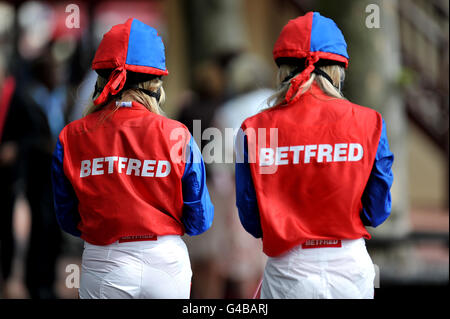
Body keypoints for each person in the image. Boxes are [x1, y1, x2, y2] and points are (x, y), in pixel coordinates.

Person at [51, 18, 214, 299]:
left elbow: (67, 218)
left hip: (103, 261)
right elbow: (199, 219)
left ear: (100, 78)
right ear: (156, 81)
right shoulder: (178, 135)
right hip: (166, 262)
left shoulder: (71, 136)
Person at [235, 12, 394, 299]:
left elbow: (251, 219)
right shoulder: (370, 122)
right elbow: (377, 210)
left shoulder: (254, 128)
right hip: (350, 267)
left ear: (283, 70)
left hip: (288, 270)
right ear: (338, 71)